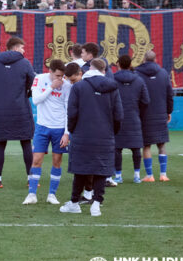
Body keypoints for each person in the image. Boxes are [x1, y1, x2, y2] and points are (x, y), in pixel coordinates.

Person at [60, 59, 123, 217]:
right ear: (104, 70)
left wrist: (73, 130)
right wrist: (111, 131)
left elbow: (72, 113)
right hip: (105, 134)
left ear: (88, 69)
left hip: (82, 134)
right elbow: (119, 115)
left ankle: (74, 203)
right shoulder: (112, 87)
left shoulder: (78, 87)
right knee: (101, 169)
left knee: (81, 169)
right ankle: (96, 204)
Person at [0, 36, 35, 189]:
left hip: (0, 110)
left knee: (0, 144)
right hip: (21, 109)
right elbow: (32, 82)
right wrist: (24, 92)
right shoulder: (25, 63)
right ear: (15, 48)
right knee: (26, 143)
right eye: (22, 48)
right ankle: (31, 179)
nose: (23, 51)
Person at [25, 59, 71, 206]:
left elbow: (68, 110)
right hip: (42, 127)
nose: (60, 79)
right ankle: (32, 194)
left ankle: (52, 194)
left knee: (57, 161)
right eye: (57, 75)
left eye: (62, 76)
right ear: (50, 72)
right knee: (36, 160)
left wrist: (66, 133)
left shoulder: (67, 85)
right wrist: (51, 87)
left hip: (59, 128)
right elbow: (36, 100)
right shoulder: (39, 79)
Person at [135, 51, 174, 182]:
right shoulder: (163, 73)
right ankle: (163, 174)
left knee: (146, 145)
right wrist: (169, 111)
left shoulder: (137, 73)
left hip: (144, 114)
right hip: (161, 112)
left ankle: (149, 175)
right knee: (161, 144)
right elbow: (170, 95)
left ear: (144, 59)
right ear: (156, 59)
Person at [112, 55, 150, 185]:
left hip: (117, 118)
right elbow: (146, 101)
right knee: (136, 148)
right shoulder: (139, 80)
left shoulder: (112, 79)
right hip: (134, 117)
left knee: (117, 148)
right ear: (129, 65)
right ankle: (137, 176)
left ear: (118, 64)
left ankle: (118, 176)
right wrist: (138, 112)